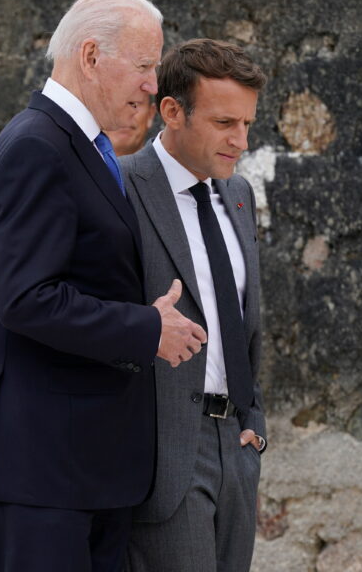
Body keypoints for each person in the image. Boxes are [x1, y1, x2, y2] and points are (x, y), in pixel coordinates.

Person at [0, 0, 207, 572]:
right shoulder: (37, 146)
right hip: (41, 471)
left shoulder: (79, 146)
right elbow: (26, 299)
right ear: (90, 56)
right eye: (143, 66)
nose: (152, 85)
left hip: (84, 465)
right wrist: (147, 329)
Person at [120, 38, 268, 572]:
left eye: (247, 124)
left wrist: (253, 419)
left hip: (238, 444)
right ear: (172, 111)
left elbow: (244, 320)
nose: (240, 140)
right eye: (224, 122)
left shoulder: (239, 193)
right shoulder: (121, 185)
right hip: (164, 455)